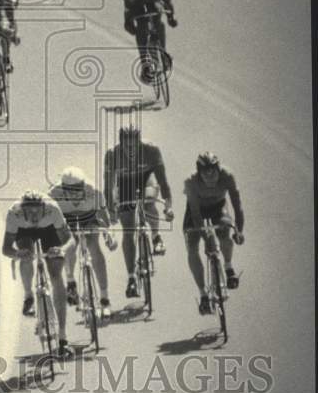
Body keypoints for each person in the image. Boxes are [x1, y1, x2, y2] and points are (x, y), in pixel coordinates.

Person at [2, 189, 75, 358]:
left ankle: (63, 337)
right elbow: (6, 249)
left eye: (37, 210)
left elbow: (71, 240)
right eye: (29, 211)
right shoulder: (14, 214)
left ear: (44, 208)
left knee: (56, 275)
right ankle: (29, 296)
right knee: (26, 254)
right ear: (23, 209)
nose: (34, 214)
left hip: (49, 231)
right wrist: (17, 254)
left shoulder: (53, 209)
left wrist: (61, 249)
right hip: (24, 232)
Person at [104, 124, 174, 298]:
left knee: (149, 202)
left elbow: (163, 182)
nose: (132, 149)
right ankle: (131, 278)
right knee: (128, 229)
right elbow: (108, 186)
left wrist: (168, 206)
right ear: (121, 144)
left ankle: (156, 236)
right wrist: (111, 210)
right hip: (125, 184)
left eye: (135, 144)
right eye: (128, 146)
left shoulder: (151, 150)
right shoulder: (112, 155)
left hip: (145, 180)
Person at [49, 167, 116, 318]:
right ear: (63, 189)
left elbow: (103, 216)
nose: (75, 195)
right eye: (70, 192)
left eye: (78, 190)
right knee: (69, 245)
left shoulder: (94, 192)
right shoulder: (53, 194)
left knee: (94, 248)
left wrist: (108, 235)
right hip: (66, 220)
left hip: (89, 218)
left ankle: (105, 299)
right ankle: (71, 281)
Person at [183, 151, 245, 314]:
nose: (210, 178)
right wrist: (206, 237)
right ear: (199, 173)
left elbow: (237, 206)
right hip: (196, 211)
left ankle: (228, 267)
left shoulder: (228, 176)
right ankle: (203, 294)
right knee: (192, 246)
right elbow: (195, 215)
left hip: (218, 207)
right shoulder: (191, 182)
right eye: (205, 174)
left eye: (214, 174)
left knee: (225, 231)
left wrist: (239, 230)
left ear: (219, 170)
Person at [122, 0, 178, 82]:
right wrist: (131, 26)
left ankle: (163, 53)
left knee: (158, 22)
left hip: (155, 0)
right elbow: (128, 18)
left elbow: (168, 7)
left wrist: (170, 19)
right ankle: (145, 65)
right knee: (141, 26)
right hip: (136, 3)